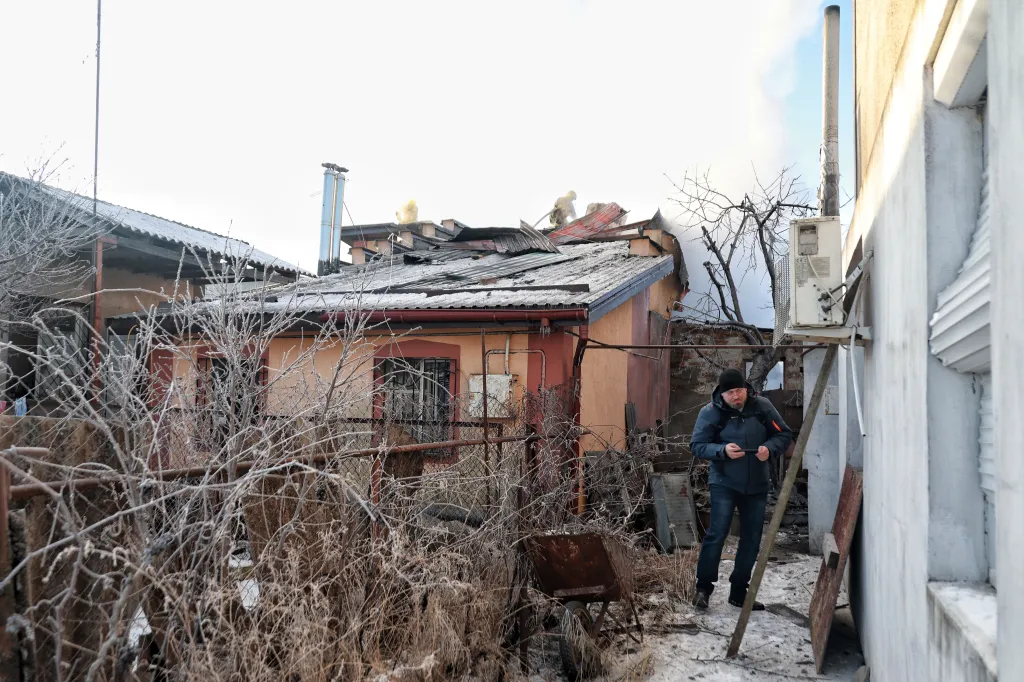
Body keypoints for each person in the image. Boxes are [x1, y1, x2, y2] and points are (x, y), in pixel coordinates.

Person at [689, 368, 793, 610]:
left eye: (739, 391)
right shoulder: (710, 413)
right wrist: (722, 451)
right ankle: (703, 589)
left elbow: (784, 434)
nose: (736, 396)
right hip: (724, 482)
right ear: (721, 395)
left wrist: (769, 448)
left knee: (752, 538)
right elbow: (697, 445)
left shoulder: (762, 407)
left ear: (746, 389)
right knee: (717, 534)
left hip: (756, 485)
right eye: (730, 393)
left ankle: (739, 592)